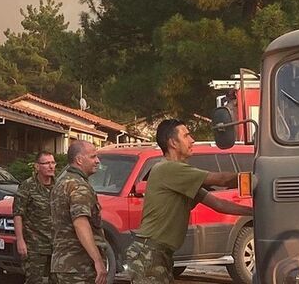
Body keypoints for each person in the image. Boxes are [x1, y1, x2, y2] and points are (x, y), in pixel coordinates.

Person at [125, 119, 254, 283]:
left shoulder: (181, 179)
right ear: (173, 142)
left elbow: (219, 205)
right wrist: (257, 177)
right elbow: (221, 179)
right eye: (186, 136)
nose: (192, 140)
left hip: (159, 253)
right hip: (150, 252)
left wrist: (253, 212)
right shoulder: (168, 168)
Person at [51, 141, 107, 284]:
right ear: (79, 160)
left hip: (62, 264)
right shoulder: (78, 185)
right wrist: (98, 261)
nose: (97, 161)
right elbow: (80, 223)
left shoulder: (62, 182)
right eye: (93, 157)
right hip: (79, 266)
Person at [12, 151, 57, 284]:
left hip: (56, 245)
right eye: (46, 163)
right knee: (33, 280)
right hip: (35, 245)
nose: (51, 166)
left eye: (53, 162)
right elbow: (18, 214)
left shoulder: (59, 185)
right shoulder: (27, 186)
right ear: (37, 167)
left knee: (58, 280)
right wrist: (20, 240)